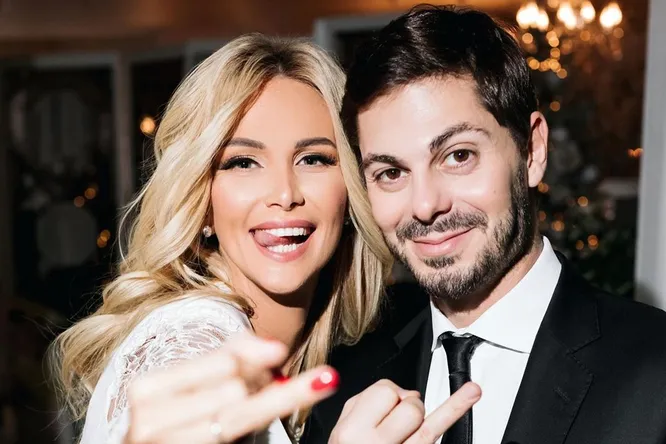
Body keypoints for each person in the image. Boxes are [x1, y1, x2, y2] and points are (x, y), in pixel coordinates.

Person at [51, 34, 479, 444]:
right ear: (201, 200)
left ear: (351, 188)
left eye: (313, 159)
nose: (285, 194)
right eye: (243, 162)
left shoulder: (337, 350)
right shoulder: (198, 340)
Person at [304, 5, 666, 444]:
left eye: (459, 156)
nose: (425, 206)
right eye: (391, 173)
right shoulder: (345, 378)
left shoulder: (654, 369)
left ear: (532, 151)